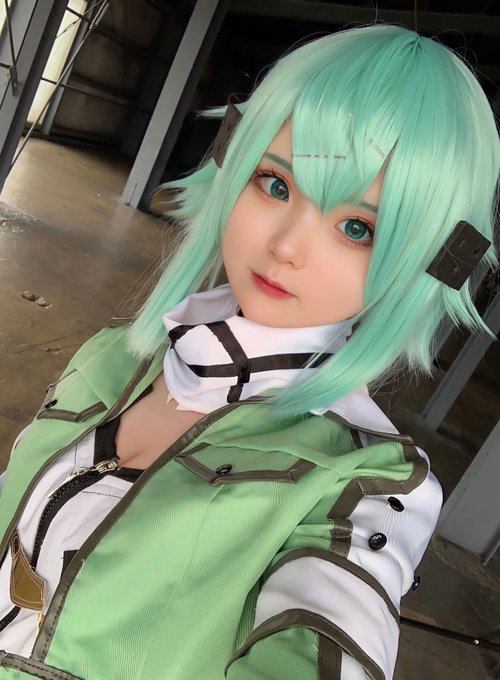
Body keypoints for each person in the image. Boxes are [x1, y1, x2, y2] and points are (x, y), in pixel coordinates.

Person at [0, 23, 498, 680]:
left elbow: (329, 634)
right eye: (276, 184)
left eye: (357, 227)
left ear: (429, 261)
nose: (286, 244)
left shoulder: (365, 485)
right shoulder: (113, 354)